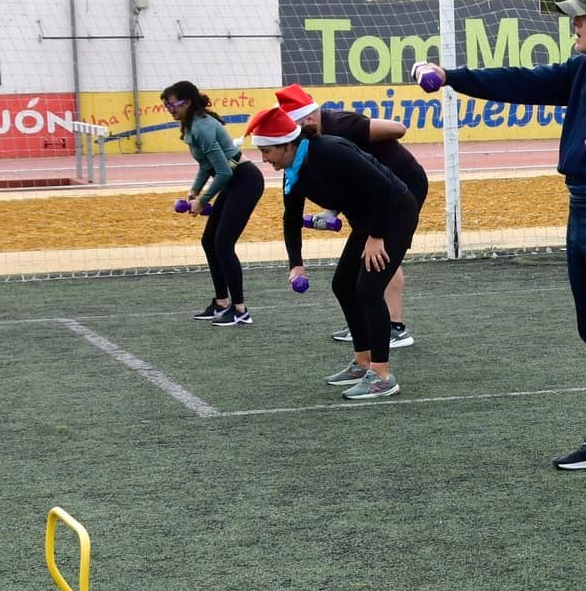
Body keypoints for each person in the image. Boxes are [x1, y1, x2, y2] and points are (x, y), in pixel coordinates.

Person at [412, 0, 586, 488]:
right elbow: (520, 82)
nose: (573, 24)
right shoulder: (584, 70)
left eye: (581, 16)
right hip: (581, 209)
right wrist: (451, 76)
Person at [245, 105, 419, 401]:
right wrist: (296, 265)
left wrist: (376, 237)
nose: (264, 160)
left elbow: (381, 186)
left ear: (288, 145)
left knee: (368, 289)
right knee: (342, 285)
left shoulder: (330, 150)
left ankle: (381, 375)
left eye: (267, 152)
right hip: (368, 222)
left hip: (394, 213)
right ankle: (363, 362)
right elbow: (290, 218)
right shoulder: (293, 170)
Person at [275, 85, 428, 351]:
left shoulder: (341, 125)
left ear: (309, 119)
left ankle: (394, 326)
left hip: (400, 183)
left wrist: (361, 149)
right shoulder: (306, 151)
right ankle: (367, 323)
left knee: (382, 256)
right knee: (355, 275)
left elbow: (398, 128)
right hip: (370, 192)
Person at [163, 81, 264, 327]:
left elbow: (223, 172)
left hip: (245, 180)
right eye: (166, 106)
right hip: (231, 180)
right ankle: (221, 303)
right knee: (209, 240)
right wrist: (194, 191)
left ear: (186, 103)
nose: (169, 109)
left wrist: (203, 201)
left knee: (223, 243)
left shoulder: (203, 127)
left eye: (171, 105)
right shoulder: (191, 126)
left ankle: (240, 310)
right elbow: (207, 166)